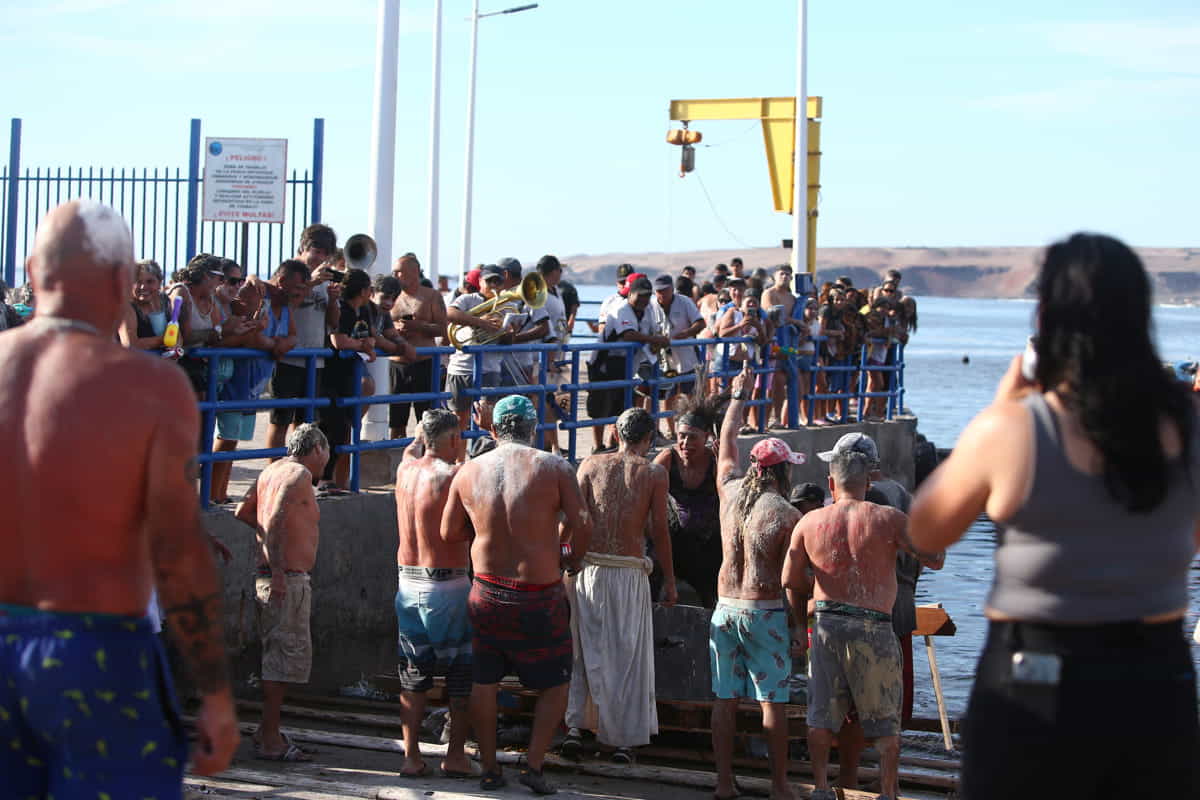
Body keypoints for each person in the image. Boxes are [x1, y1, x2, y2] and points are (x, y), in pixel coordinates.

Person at [908, 232, 1200, 799]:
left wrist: (1001, 406)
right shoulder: (1188, 427)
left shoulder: (1016, 427)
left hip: (1035, 679)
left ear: (1046, 320)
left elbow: (924, 529)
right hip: (1157, 678)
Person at [0, 200, 238, 792]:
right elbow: (177, 552)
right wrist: (214, 692)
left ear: (32, 271)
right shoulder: (149, 386)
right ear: (120, 281)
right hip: (99, 651)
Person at [441, 395, 592, 794]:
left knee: (484, 681)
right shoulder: (554, 467)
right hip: (539, 596)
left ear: (493, 430)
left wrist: (485, 531)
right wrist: (569, 557)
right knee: (556, 683)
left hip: (486, 593)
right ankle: (534, 765)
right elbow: (583, 522)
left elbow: (449, 532)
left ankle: (491, 768)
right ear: (534, 429)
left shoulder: (469, 471)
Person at [784, 449, 930, 800]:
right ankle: (888, 792)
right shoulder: (889, 519)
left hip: (827, 624)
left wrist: (812, 601)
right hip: (874, 626)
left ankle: (821, 787)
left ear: (831, 483)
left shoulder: (809, 522)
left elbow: (789, 579)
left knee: (821, 717)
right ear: (868, 482)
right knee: (885, 722)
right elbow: (935, 557)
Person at [710, 367, 805, 800]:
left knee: (724, 699)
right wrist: (799, 626)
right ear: (781, 472)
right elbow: (793, 581)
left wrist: (738, 396)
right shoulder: (787, 514)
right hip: (763, 612)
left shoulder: (728, 493)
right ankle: (779, 785)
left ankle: (723, 783)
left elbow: (727, 441)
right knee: (772, 700)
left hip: (724, 608)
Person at [564, 408, 676, 764]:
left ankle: (576, 728)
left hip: (589, 571)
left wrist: (564, 558)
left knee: (584, 651)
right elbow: (660, 531)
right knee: (626, 656)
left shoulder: (589, 464)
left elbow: (572, 522)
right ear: (648, 439)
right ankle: (623, 740)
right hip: (628, 573)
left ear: (615, 433)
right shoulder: (654, 473)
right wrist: (670, 580)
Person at [234, 423, 329, 762]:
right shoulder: (299, 475)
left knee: (279, 658)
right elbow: (273, 519)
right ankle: (271, 738)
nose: (327, 461)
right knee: (280, 663)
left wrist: (272, 547)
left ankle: (267, 730)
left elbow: (244, 511)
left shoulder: (271, 470)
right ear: (316, 449)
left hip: (275, 576)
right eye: (326, 453)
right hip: (284, 579)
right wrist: (277, 568)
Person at [393, 410, 477, 778]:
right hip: (446, 585)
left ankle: (411, 757)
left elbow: (413, 446)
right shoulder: (454, 475)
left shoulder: (404, 469)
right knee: (461, 674)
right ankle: (455, 755)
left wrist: (424, 433)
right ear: (454, 439)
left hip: (407, 584)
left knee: (413, 674)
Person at [265, 225, 342, 456]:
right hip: (287, 358)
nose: (320, 258)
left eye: (325, 253)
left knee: (305, 425)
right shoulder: (289, 273)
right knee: (279, 421)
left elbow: (334, 323)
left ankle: (297, 468)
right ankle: (274, 470)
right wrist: (310, 283)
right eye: (316, 251)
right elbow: (279, 305)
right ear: (303, 248)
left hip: (315, 360)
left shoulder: (325, 278)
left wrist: (333, 300)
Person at [652, 392, 727, 608]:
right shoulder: (668, 458)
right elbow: (644, 489)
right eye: (681, 436)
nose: (685, 443)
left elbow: (730, 498)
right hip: (675, 540)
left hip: (709, 543)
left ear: (706, 437)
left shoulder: (715, 462)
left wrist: (724, 462)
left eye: (693, 437)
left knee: (712, 596)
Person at [389, 254, 448, 440]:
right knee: (396, 422)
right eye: (394, 272)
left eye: (399, 272)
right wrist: (395, 329)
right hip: (397, 365)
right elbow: (378, 324)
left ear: (414, 272)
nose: (395, 275)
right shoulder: (391, 296)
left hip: (425, 363)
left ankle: (426, 455)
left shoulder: (432, 296)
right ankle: (397, 455)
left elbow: (443, 329)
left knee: (428, 422)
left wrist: (419, 326)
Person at [445, 265, 509, 436]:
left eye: (498, 281)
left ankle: (482, 450)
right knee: (458, 420)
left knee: (487, 418)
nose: (493, 285)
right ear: (480, 281)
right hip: (461, 367)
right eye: (489, 281)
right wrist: (481, 322)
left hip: (490, 368)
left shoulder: (506, 304)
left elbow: (508, 342)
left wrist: (509, 332)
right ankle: (458, 452)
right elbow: (449, 313)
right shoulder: (468, 299)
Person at [652, 273, 705, 439]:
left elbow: (701, 323)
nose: (662, 294)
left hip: (687, 356)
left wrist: (686, 333)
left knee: (690, 395)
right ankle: (671, 430)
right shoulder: (651, 305)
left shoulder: (685, 302)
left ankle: (691, 427)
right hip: (665, 360)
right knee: (669, 394)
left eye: (665, 290)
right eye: (659, 291)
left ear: (672, 289)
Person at [117, 258, 171, 349]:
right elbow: (130, 345)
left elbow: (176, 331)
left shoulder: (164, 301)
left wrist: (177, 342)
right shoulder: (126, 307)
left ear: (159, 283)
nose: (143, 287)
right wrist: (165, 339)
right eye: (138, 282)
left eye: (150, 281)